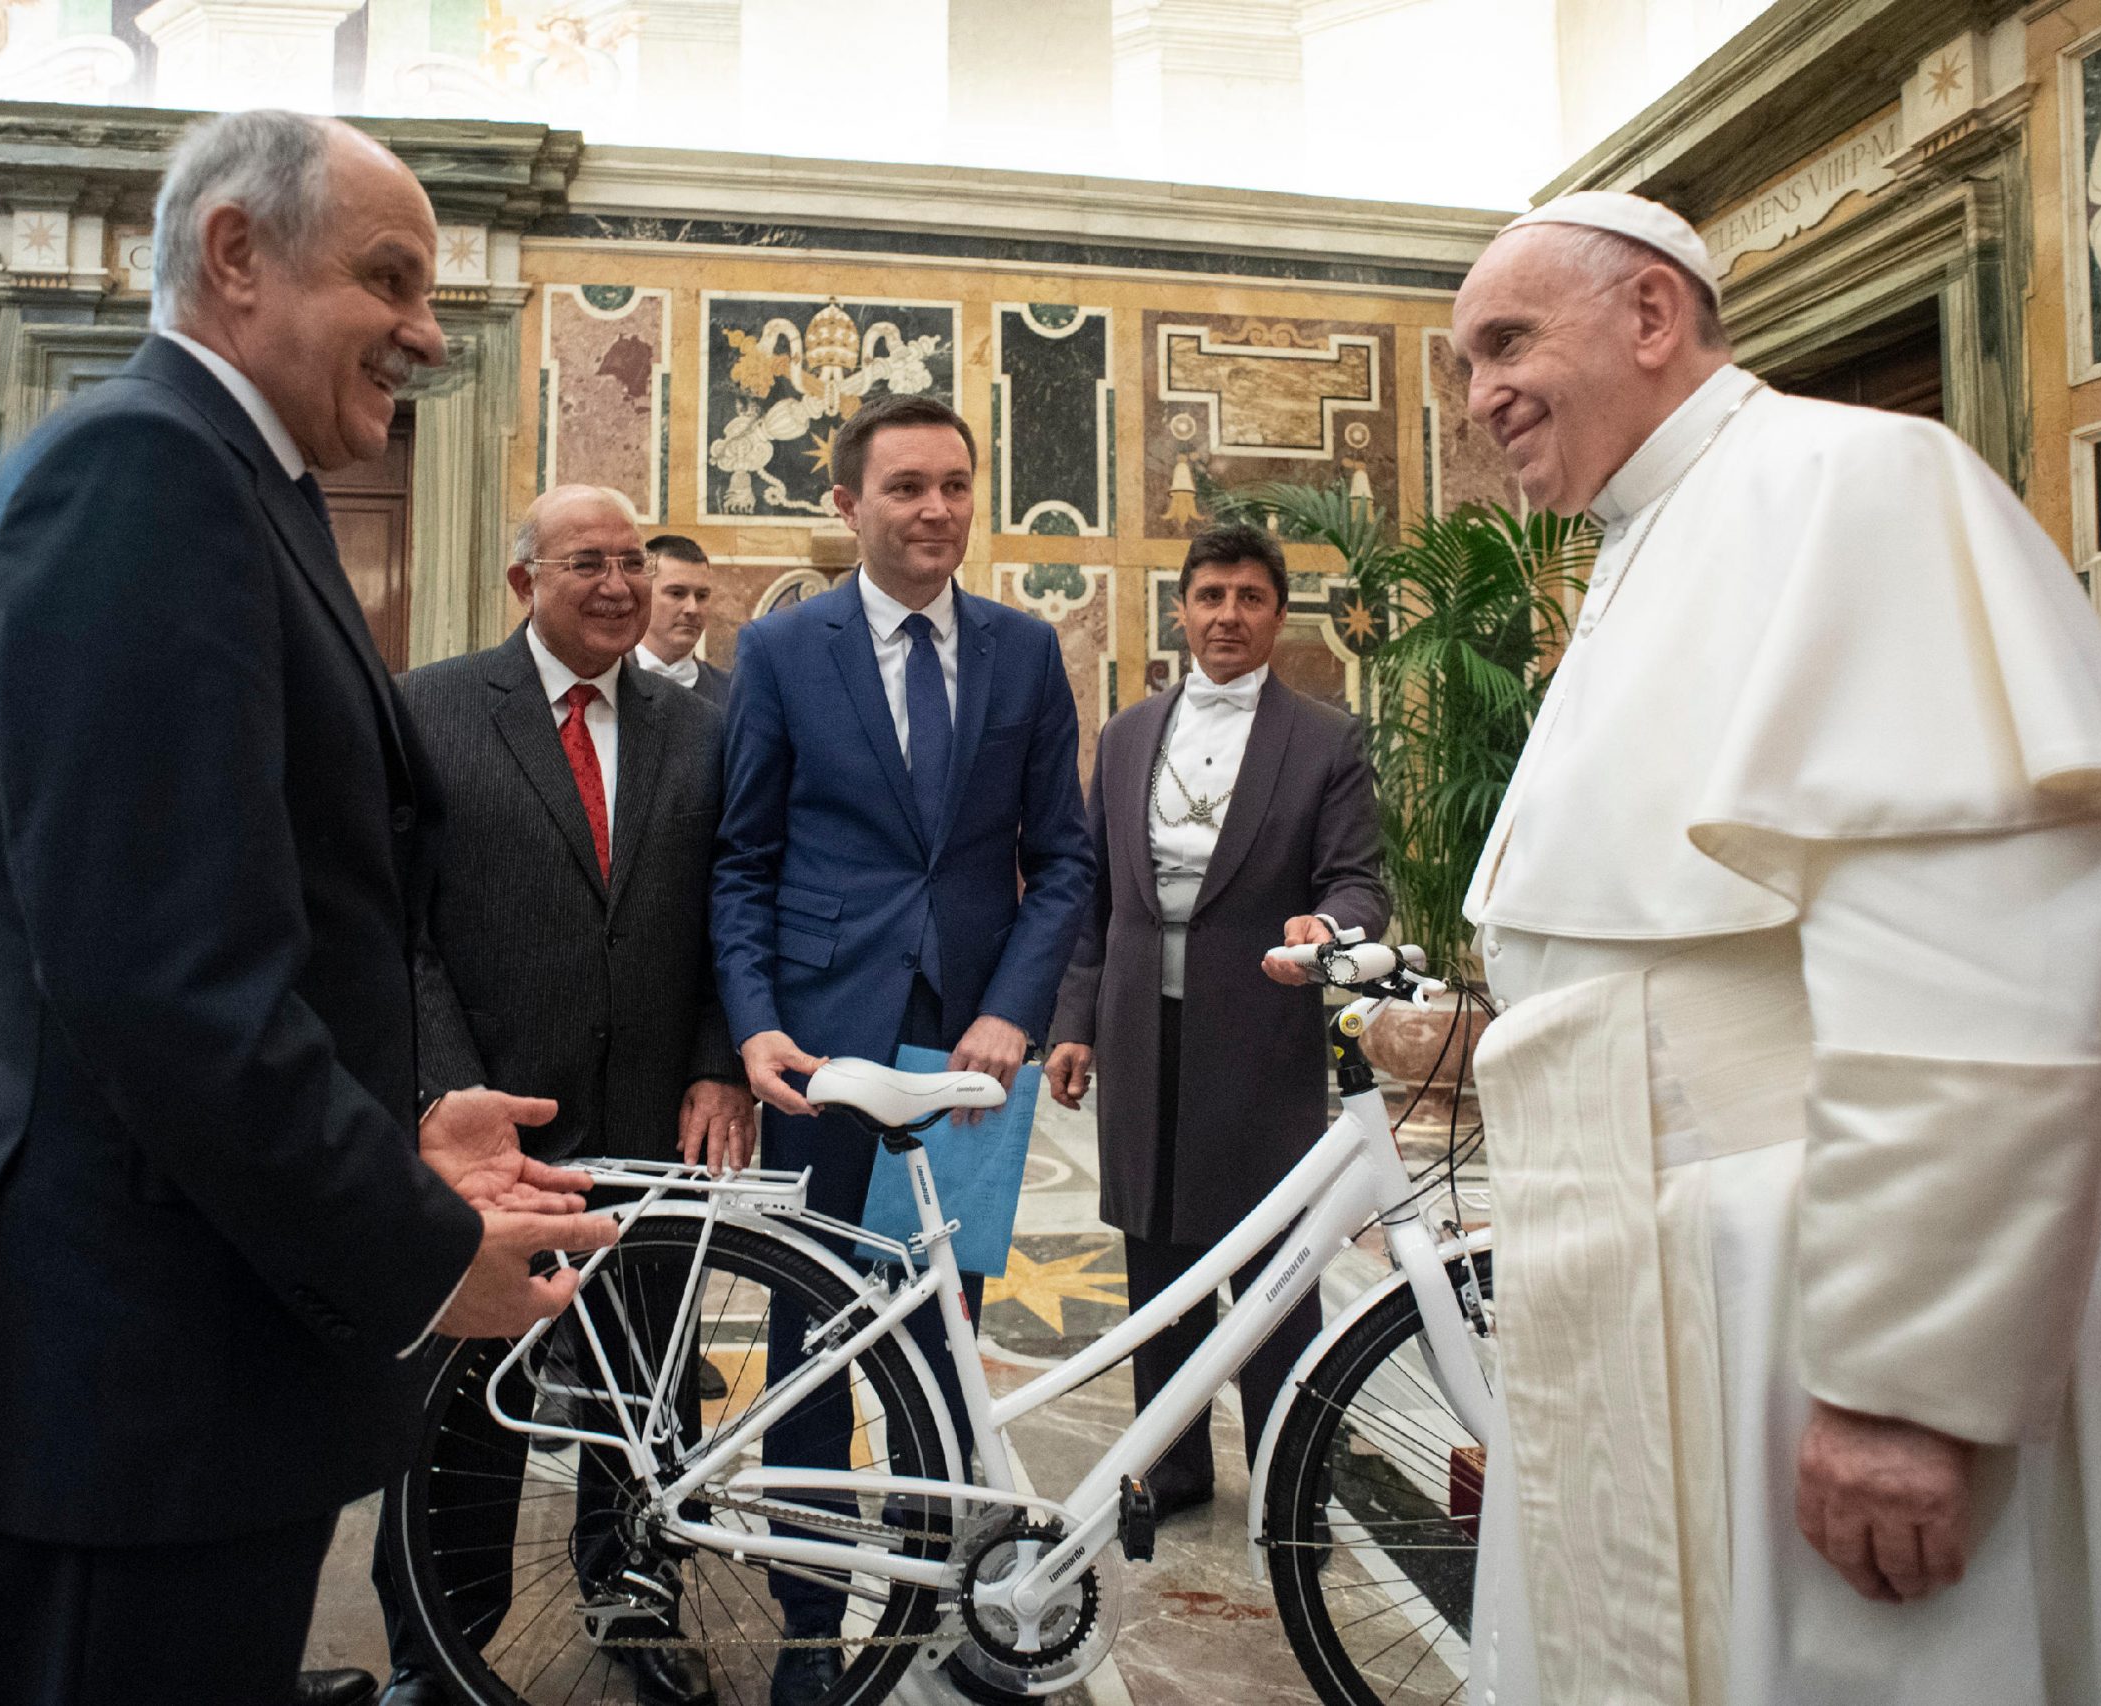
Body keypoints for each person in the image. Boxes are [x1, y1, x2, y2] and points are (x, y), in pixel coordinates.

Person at [1450, 190, 2101, 1705]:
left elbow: (1975, 962)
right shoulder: (1651, 532)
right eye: (1468, 362)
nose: (1481, 396)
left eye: (1507, 339)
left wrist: (1905, 1387)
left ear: (1653, 316)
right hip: (1676, 1262)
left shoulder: (1857, 479)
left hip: (1822, 1277)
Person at [0, 109, 614, 1706]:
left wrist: (400, 1118)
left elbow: (230, 913)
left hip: (184, 1346)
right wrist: (426, 1248)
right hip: (124, 1377)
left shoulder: (232, 480)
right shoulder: (144, 478)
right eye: (388, 278)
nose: (431, 332)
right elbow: (166, 984)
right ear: (235, 256)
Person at [710, 389, 1094, 1705]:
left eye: (953, 485)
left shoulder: (1025, 651)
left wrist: (1012, 1006)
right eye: (906, 487)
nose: (936, 510)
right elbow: (743, 859)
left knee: (943, 1333)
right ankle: (812, 1622)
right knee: (814, 1329)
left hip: (962, 1053)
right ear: (847, 505)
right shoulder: (782, 653)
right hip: (821, 1048)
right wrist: (755, 1021)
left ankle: (937, 1608)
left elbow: (1066, 862)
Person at [370, 484, 752, 1706]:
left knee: (646, 1388)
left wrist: (710, 1057)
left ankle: (634, 1595)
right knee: (456, 1405)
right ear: (522, 579)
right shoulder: (431, 709)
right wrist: (444, 1086)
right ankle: (436, 1641)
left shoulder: (705, 726)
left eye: (632, 561)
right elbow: (397, 924)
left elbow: (728, 911)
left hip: (654, 1116)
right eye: (586, 561)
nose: (619, 584)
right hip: (489, 1132)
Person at [1043, 521, 1387, 1517]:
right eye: (1209, 595)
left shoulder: (1323, 738)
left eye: (1248, 597)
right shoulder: (1126, 735)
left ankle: (1290, 1467)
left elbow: (1356, 880)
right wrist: (1074, 1021)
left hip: (1260, 1025)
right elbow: (1096, 894)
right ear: (1182, 609)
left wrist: (1326, 925)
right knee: (1157, 1252)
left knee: (1277, 1260)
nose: (1226, 614)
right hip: (1139, 1029)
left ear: (1278, 615)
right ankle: (1176, 1460)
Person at [632, 532, 728, 711]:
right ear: (642, 594)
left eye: (702, 596)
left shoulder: (733, 694)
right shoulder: (605, 684)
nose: (692, 608)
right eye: (677, 593)